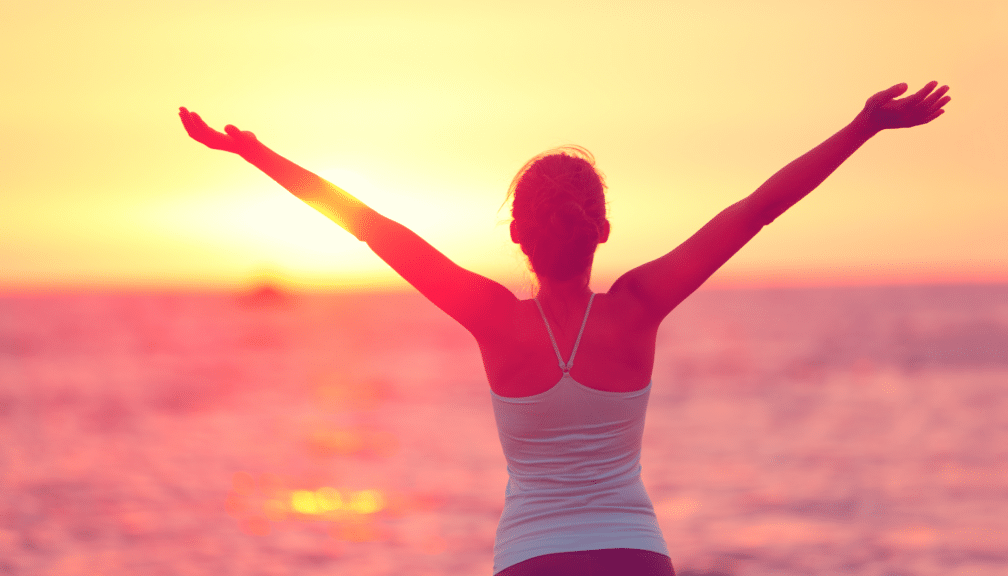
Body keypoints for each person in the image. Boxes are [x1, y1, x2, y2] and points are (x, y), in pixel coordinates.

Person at [179, 81, 950, 576]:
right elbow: (757, 209)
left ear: (518, 236)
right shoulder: (642, 306)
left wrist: (252, 153)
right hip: (636, 556)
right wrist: (862, 127)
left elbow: (372, 230)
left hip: (531, 561)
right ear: (603, 229)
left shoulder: (489, 319)